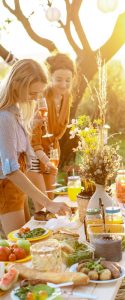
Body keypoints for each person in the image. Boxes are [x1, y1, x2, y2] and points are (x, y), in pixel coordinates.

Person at [0, 59, 71, 236]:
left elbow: (16, 144)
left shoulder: (15, 111)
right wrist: (48, 202)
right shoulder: (5, 117)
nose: (35, 98)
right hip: (7, 188)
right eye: (33, 93)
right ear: (17, 84)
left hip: (17, 186)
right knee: (18, 248)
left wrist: (30, 125)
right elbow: (10, 169)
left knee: (26, 240)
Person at [27, 53, 75, 207]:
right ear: (50, 77)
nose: (63, 84)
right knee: (42, 205)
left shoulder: (66, 97)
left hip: (52, 152)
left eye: (68, 80)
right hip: (35, 154)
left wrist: (51, 155)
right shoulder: (40, 98)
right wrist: (43, 157)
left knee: (51, 203)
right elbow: (33, 133)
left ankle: (50, 230)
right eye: (59, 79)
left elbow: (59, 132)